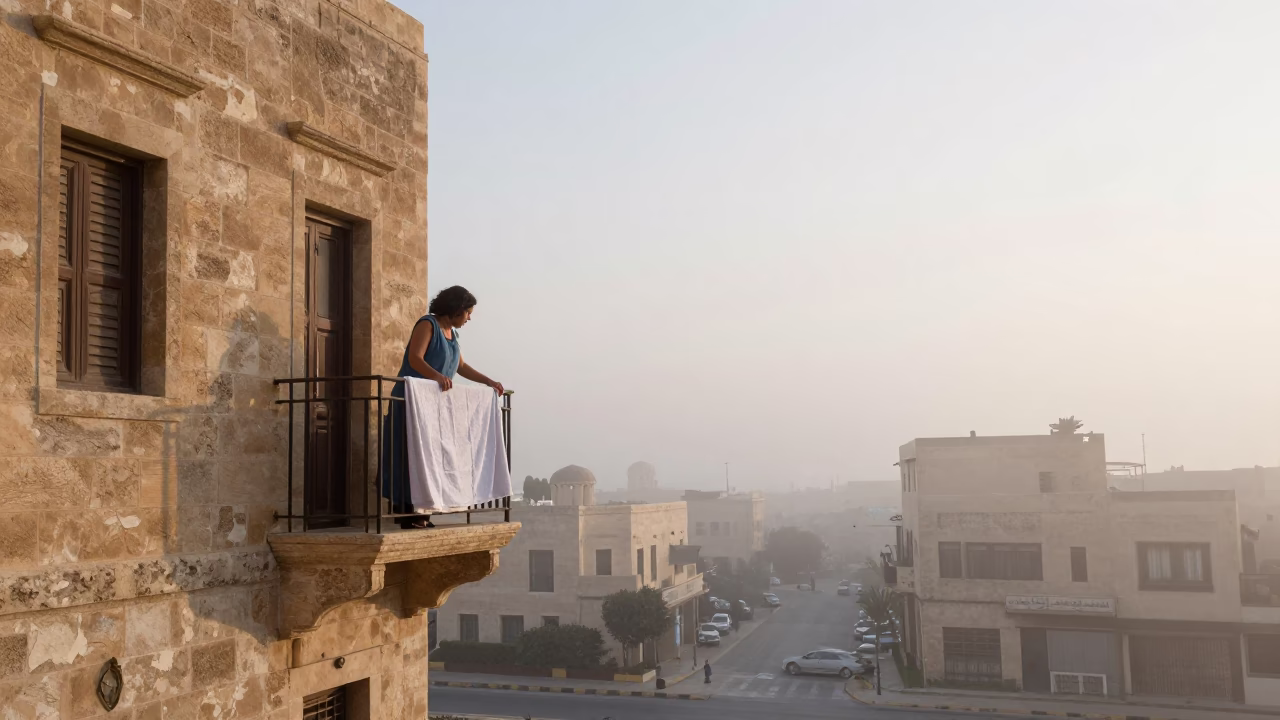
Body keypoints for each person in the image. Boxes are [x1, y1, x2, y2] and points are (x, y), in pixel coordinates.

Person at [381, 286, 504, 529]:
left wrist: (488, 381)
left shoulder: (452, 335)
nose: (469, 318)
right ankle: (409, 514)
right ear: (457, 309)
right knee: (409, 456)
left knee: (431, 458)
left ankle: (424, 512)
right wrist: (437, 377)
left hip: (433, 407)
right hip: (410, 401)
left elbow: (461, 367)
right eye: (468, 313)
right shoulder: (428, 325)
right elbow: (415, 358)